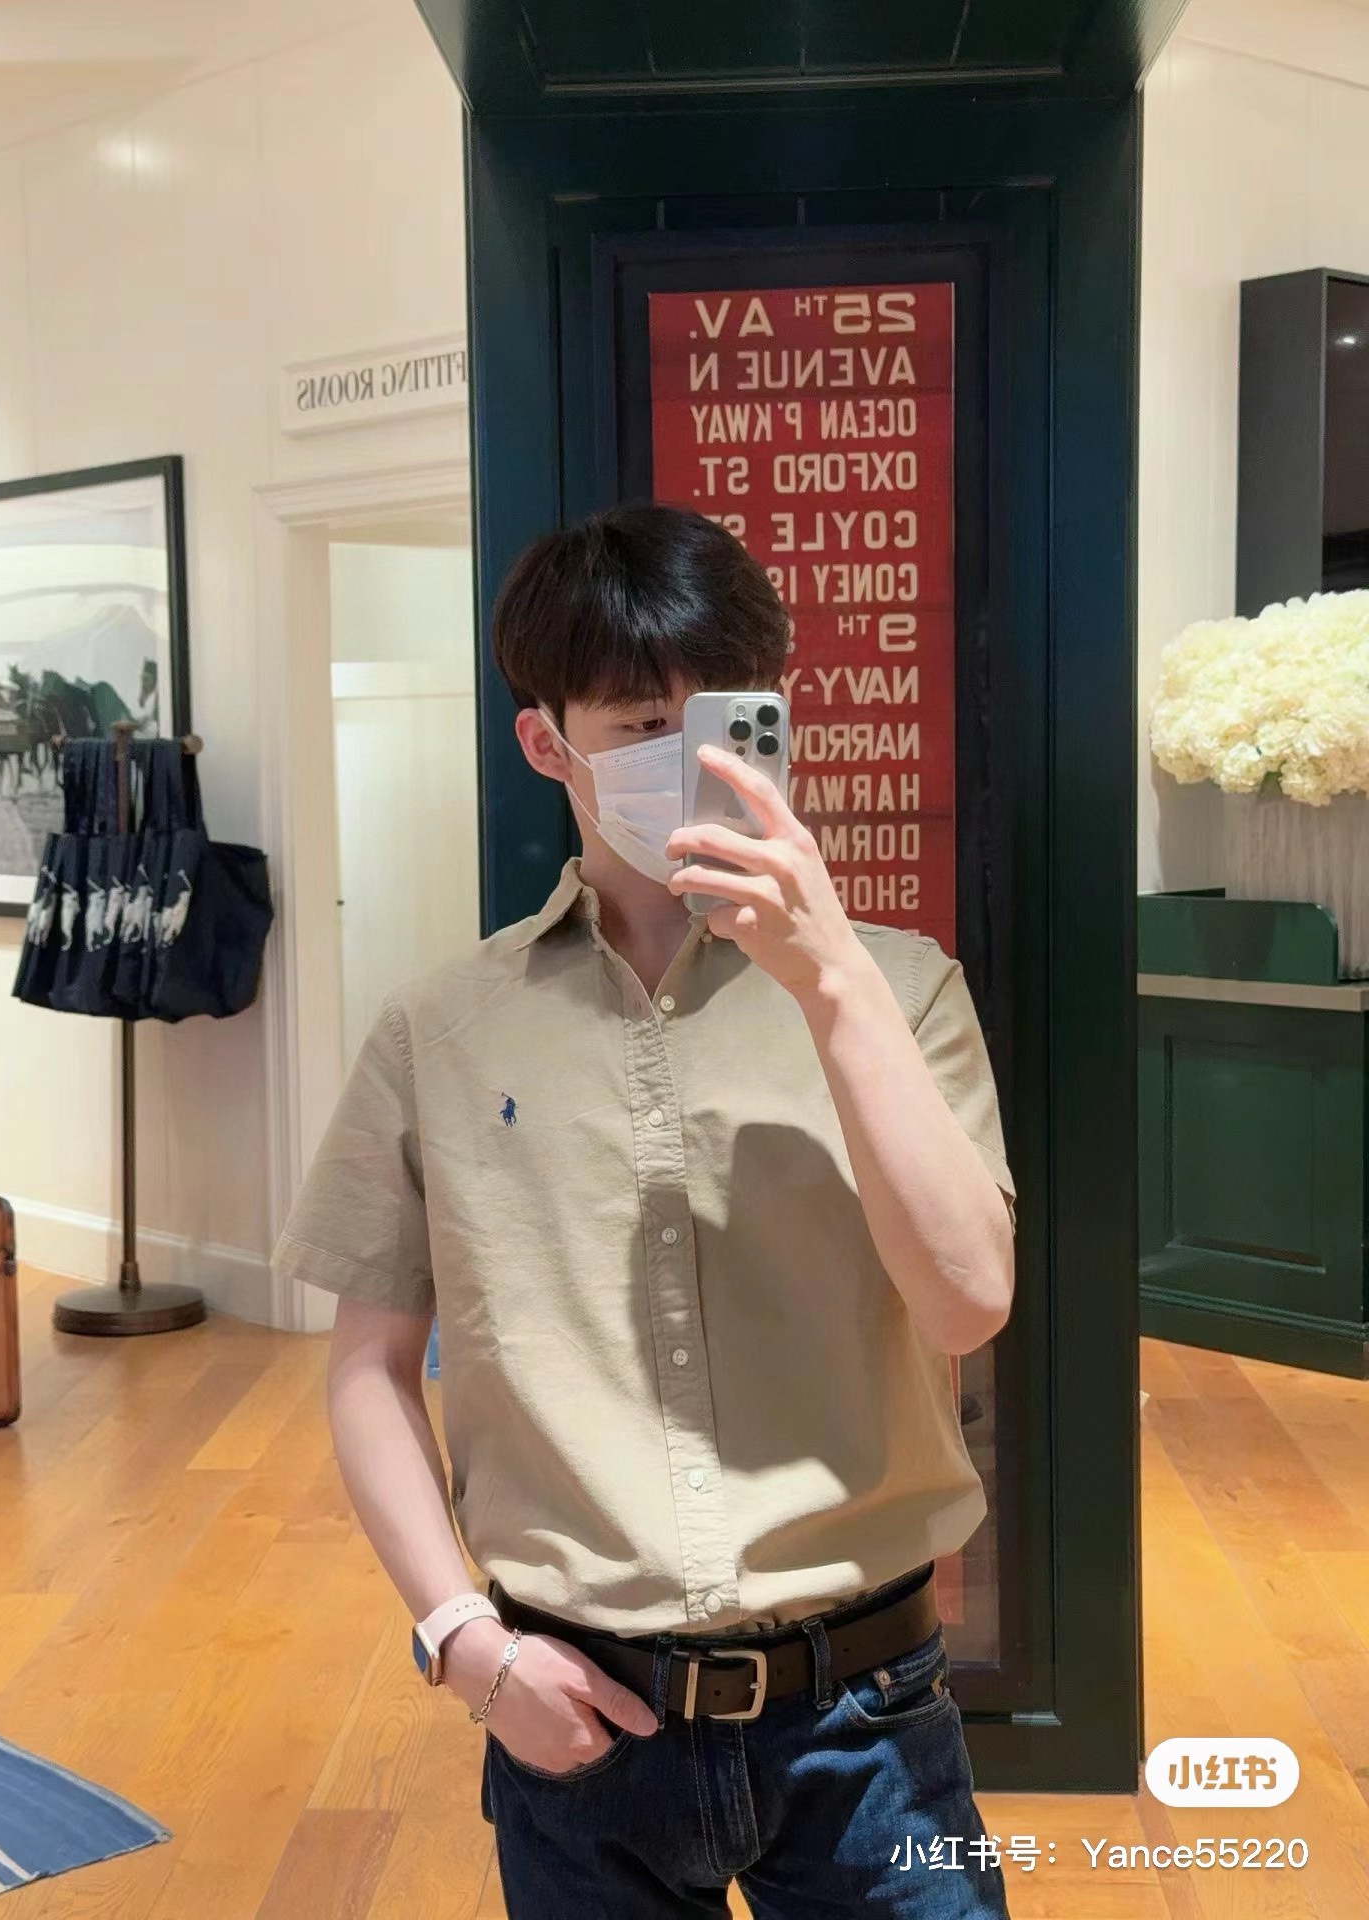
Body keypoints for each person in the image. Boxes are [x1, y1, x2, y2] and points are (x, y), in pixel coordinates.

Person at [272, 502, 1017, 1918]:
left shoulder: (904, 988)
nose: (695, 758)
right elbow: (367, 1368)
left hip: (867, 1709)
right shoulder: (442, 1029)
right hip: (572, 1711)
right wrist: (460, 1639)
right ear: (545, 744)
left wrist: (831, 982)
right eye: (640, 725)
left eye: (729, 713)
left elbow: (970, 1301)